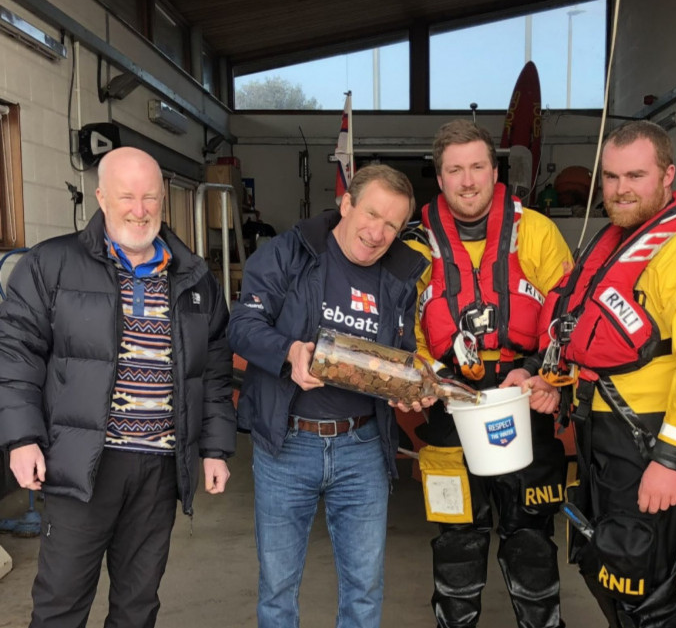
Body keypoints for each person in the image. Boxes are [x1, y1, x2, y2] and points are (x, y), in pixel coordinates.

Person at [514, 120, 676, 628]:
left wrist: (671, 459)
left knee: (642, 578)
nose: (620, 190)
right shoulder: (619, 239)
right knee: (607, 563)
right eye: (612, 177)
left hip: (651, 437)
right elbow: (588, 333)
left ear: (667, 175)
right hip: (604, 431)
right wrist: (548, 376)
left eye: (635, 176)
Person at [0, 146, 236, 627]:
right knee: (60, 604)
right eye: (127, 196)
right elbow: (14, 355)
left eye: (150, 197)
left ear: (163, 199)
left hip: (160, 468)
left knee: (137, 606)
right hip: (81, 465)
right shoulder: (51, 265)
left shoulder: (192, 277)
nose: (140, 209)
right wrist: (22, 438)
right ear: (101, 196)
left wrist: (215, 449)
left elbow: (213, 369)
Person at [229, 164, 427, 628]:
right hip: (287, 444)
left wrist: (408, 388)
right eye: (371, 214)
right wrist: (288, 351)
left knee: (364, 588)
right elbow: (241, 327)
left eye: (392, 225)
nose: (377, 233)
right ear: (347, 204)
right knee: (278, 589)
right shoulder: (288, 253)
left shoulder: (401, 277)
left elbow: (402, 354)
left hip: (362, 449)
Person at [396, 119, 573, 628]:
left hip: (524, 402)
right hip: (449, 408)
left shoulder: (536, 230)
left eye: (477, 167)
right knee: (456, 539)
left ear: (495, 171)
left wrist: (543, 375)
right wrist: (425, 373)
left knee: (531, 539)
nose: (467, 180)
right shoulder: (414, 243)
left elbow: (567, 315)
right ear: (440, 175)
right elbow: (400, 325)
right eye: (455, 170)